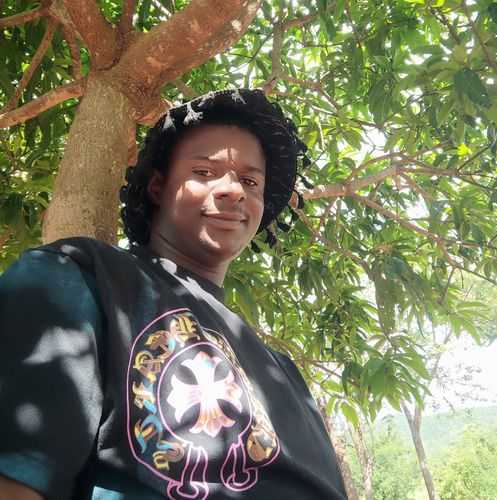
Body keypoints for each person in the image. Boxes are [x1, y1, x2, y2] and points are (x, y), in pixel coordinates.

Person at [0, 89, 347, 499]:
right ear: (157, 186)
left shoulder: (283, 369)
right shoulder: (78, 276)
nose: (234, 190)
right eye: (204, 171)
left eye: (250, 181)